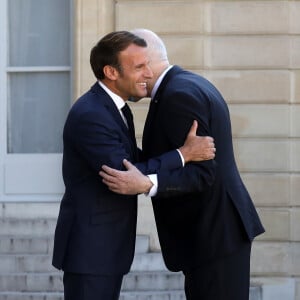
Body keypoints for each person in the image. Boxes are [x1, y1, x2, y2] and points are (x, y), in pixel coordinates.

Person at [100, 29, 265, 300]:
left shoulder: (178, 95)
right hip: (215, 233)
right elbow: (182, 156)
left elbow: (203, 172)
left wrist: (148, 183)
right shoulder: (186, 84)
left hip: (213, 233)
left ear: (148, 63)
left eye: (136, 65)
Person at [52, 30, 215, 300]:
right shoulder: (91, 115)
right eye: (139, 67)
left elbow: (133, 158)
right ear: (111, 72)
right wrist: (183, 154)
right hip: (91, 250)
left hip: (105, 248)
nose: (149, 74)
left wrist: (181, 155)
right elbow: (127, 172)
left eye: (148, 65)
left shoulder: (114, 107)